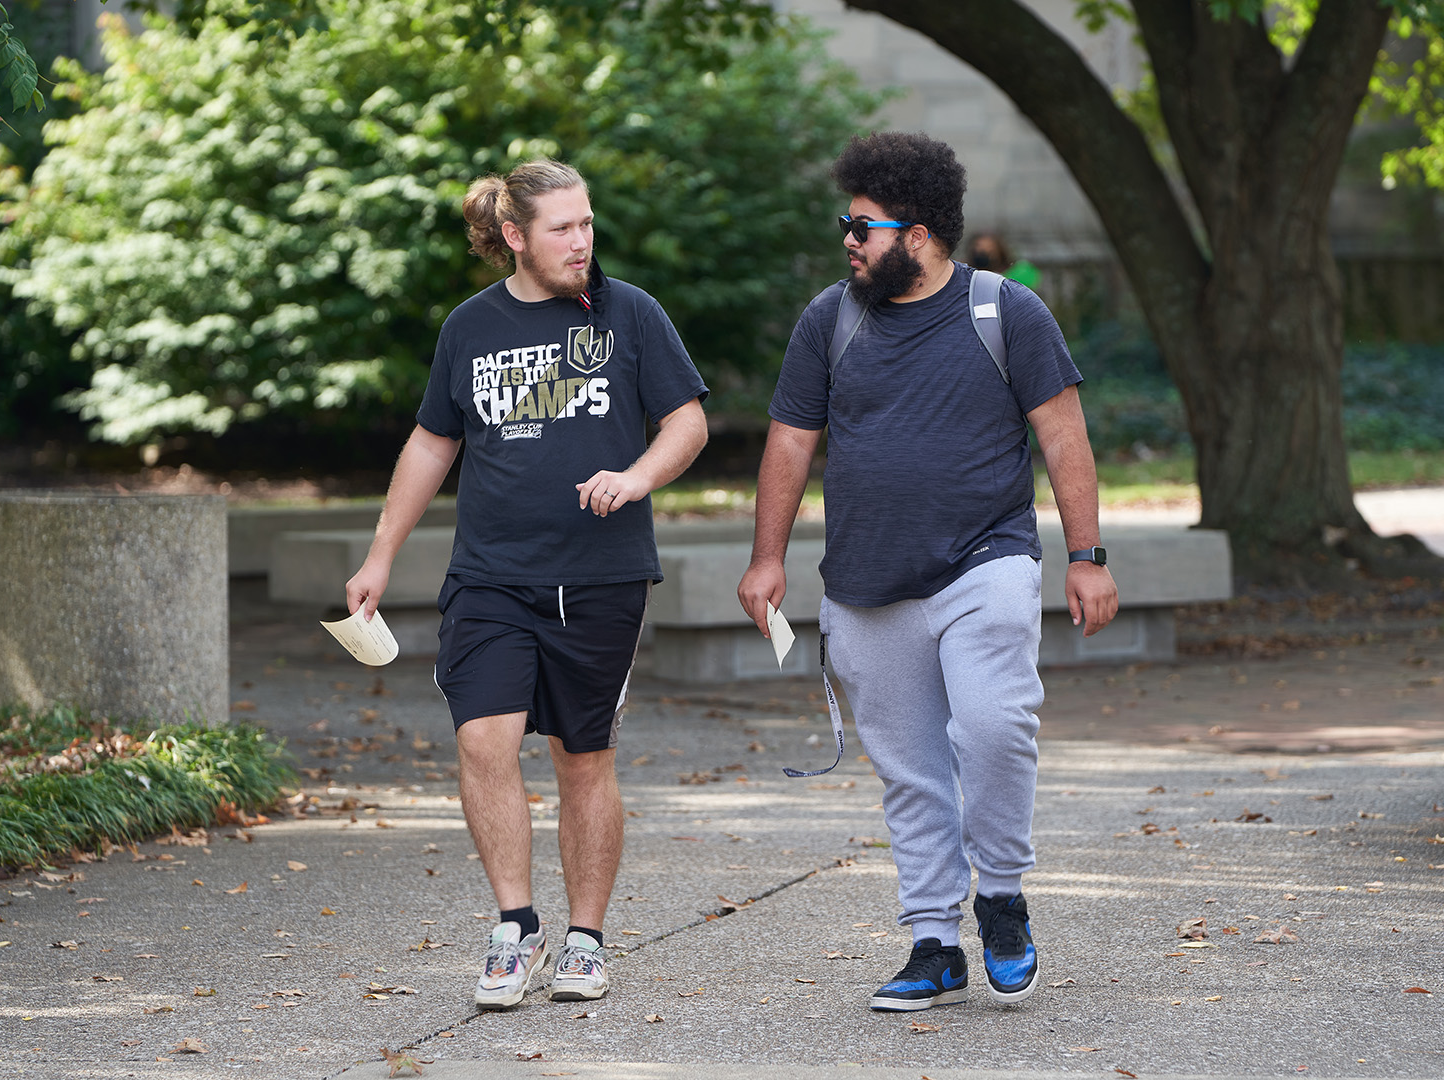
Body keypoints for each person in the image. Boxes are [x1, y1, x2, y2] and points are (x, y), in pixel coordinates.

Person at [737, 133, 1117, 1012]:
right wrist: (766, 558)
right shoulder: (831, 319)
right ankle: (935, 942)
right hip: (865, 582)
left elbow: (1064, 436)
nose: (847, 240)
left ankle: (1002, 897)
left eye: (860, 224)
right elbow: (791, 444)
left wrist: (1087, 557)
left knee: (993, 727)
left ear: (919, 233)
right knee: (909, 771)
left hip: (985, 561)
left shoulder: (1006, 313)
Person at [345, 160, 709, 1010]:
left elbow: (686, 421)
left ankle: (586, 941)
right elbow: (434, 443)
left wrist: (637, 476)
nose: (582, 242)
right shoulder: (469, 327)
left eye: (588, 224)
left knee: (582, 758)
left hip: (601, 576)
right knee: (483, 741)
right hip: (491, 575)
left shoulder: (631, 313)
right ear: (515, 236)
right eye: (562, 229)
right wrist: (379, 555)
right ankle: (516, 926)